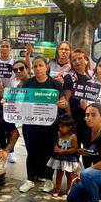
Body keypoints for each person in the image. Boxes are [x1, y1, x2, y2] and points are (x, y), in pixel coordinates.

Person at [19, 56, 67, 193]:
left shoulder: (55, 85)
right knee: (31, 152)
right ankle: (29, 180)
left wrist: (63, 103)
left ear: (46, 67)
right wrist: (9, 103)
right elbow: (19, 101)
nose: (38, 68)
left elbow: (63, 102)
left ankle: (48, 180)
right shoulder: (28, 83)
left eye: (40, 65)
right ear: (32, 69)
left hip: (50, 125)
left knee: (48, 152)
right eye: (35, 66)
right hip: (30, 125)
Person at [63, 48, 92, 167]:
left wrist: (88, 106)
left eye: (80, 58)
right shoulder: (70, 77)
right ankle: (74, 175)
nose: (77, 61)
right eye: (74, 60)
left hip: (88, 120)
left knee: (88, 147)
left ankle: (87, 172)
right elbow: (66, 100)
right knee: (75, 147)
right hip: (75, 119)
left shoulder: (91, 76)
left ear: (86, 60)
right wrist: (71, 120)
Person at [46, 114, 81, 197]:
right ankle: (57, 189)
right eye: (59, 127)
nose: (60, 128)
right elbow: (56, 142)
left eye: (62, 127)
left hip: (69, 158)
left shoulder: (73, 137)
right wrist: (55, 147)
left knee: (69, 174)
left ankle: (69, 190)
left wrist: (64, 151)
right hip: (59, 157)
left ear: (69, 127)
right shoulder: (59, 134)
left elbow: (75, 149)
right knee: (59, 173)